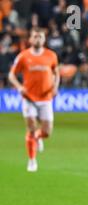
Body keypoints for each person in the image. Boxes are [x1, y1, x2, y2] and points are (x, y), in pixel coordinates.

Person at [8, 27, 60, 172]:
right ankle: (32, 160)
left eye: (40, 37)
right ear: (30, 39)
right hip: (29, 98)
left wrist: (55, 87)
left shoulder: (51, 55)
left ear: (44, 39)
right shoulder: (23, 56)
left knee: (47, 132)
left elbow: (57, 73)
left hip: (46, 98)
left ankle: (38, 137)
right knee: (31, 128)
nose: (38, 39)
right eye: (35, 36)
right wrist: (19, 87)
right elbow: (12, 75)